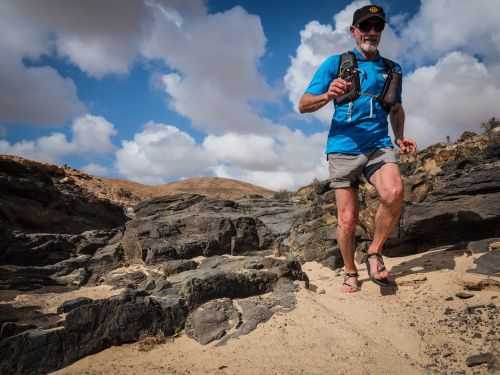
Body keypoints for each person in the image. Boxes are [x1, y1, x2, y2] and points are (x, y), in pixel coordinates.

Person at [298, 5, 416, 293]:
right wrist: (327, 94)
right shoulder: (334, 64)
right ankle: (350, 269)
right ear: (354, 31)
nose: (372, 33)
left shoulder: (392, 69)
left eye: (378, 27)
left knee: (394, 192)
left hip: (378, 144)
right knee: (348, 219)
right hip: (343, 148)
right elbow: (303, 104)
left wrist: (400, 137)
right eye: (366, 27)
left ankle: (374, 251)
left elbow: (396, 108)